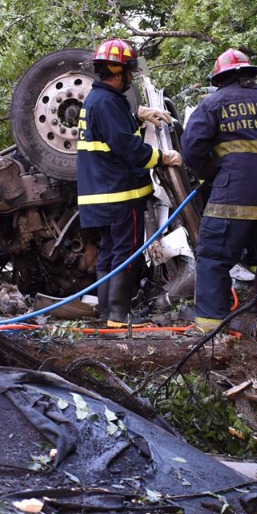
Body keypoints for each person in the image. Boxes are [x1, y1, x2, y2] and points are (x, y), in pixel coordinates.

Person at [182, 49, 257, 346]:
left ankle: (211, 332)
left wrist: (211, 171)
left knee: (213, 257)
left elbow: (192, 148)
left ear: (220, 78)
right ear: (250, 74)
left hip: (233, 198)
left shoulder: (214, 103)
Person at [76, 38, 181, 326]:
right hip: (120, 194)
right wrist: (164, 157)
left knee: (110, 251)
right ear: (118, 72)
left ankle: (109, 313)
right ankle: (120, 316)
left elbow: (115, 131)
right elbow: (128, 148)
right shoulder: (108, 102)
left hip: (101, 195)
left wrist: (140, 114)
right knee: (126, 252)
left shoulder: (98, 100)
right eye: (129, 72)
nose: (131, 78)